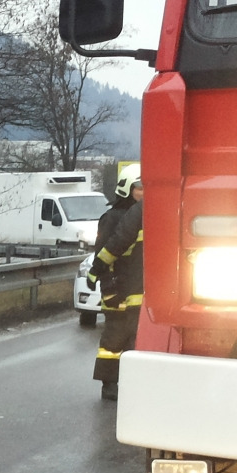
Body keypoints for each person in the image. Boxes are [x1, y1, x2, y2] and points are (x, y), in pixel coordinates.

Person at [89, 166, 144, 401]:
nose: (143, 193)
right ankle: (109, 384)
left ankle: (131, 382)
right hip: (117, 288)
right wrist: (108, 287)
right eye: (139, 188)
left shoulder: (145, 215)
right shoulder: (112, 218)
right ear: (126, 188)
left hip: (136, 289)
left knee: (133, 338)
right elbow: (103, 255)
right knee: (113, 339)